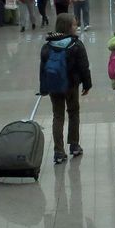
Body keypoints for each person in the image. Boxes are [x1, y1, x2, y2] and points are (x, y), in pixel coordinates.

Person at [40, 13, 92, 164]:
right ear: (68, 27)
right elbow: (84, 67)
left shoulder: (47, 45)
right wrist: (87, 84)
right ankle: (74, 145)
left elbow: (42, 69)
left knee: (58, 116)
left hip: (53, 85)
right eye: (75, 25)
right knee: (73, 113)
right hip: (71, 85)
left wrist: (44, 88)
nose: (76, 27)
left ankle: (58, 151)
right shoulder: (75, 44)